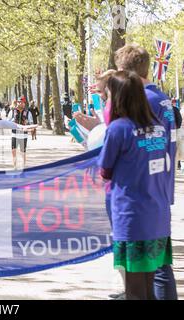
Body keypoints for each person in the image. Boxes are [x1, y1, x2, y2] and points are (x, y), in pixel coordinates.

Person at [98, 70, 172, 300]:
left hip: (132, 217)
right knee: (149, 288)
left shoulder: (118, 128)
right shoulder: (159, 126)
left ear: (118, 97)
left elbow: (104, 170)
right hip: (157, 216)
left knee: (135, 291)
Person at [115, 44, 177, 300]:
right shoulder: (159, 97)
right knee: (158, 265)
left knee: (156, 267)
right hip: (159, 189)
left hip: (144, 194)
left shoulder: (144, 99)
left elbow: (128, 141)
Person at [8, 96, 34, 169]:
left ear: (24, 104)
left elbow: (31, 123)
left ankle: (23, 166)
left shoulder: (28, 113)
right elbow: (7, 121)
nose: (20, 103)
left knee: (23, 152)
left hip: (23, 135)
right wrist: (12, 121)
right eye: (19, 102)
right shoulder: (12, 111)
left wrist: (28, 123)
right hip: (14, 134)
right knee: (13, 151)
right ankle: (15, 166)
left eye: (22, 102)